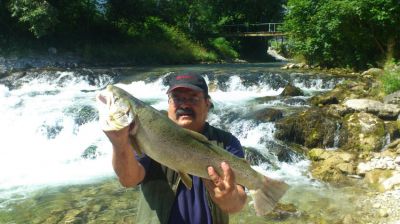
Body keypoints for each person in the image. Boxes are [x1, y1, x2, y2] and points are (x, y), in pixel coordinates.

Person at [103, 73, 247, 224]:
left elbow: (237, 202)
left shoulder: (227, 142)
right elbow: (129, 180)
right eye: (177, 98)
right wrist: (119, 144)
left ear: (207, 103)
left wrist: (229, 198)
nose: (184, 105)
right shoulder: (148, 134)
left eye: (193, 98)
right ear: (168, 103)